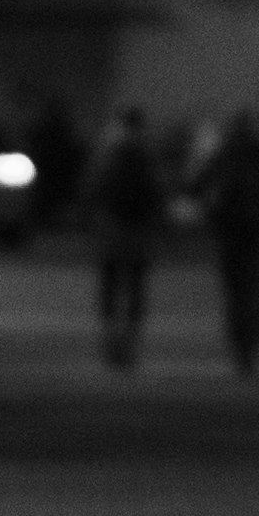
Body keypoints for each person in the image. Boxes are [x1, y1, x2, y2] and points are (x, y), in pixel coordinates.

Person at [199, 102, 259, 377]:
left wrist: (212, 217)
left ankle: (239, 346)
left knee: (234, 291)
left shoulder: (225, 153)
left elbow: (199, 183)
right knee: (253, 288)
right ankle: (250, 348)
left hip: (230, 232)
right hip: (256, 231)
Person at [89, 106, 164, 368]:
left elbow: (95, 188)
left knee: (111, 284)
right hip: (138, 229)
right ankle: (130, 341)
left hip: (113, 226)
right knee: (135, 285)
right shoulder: (147, 154)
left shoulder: (109, 152)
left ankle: (111, 339)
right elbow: (157, 192)